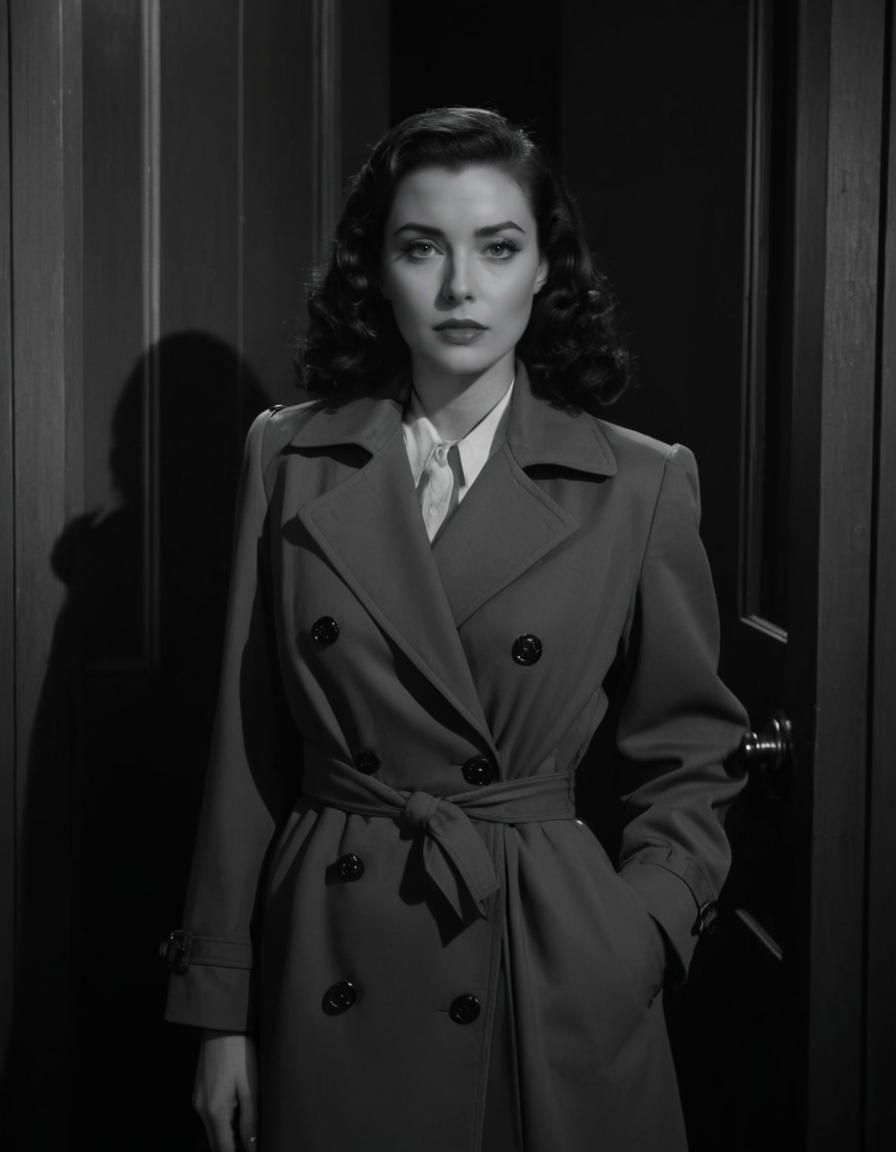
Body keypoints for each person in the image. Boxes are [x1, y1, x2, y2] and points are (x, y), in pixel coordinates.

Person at [161, 107, 748, 1152]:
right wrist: (220, 1006)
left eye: (498, 247)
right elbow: (244, 753)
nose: (460, 287)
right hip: (331, 949)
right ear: (376, 271)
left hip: (546, 966)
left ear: (544, 270)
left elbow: (691, 747)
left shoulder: (639, 482)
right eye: (422, 247)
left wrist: (642, 929)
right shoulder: (287, 458)